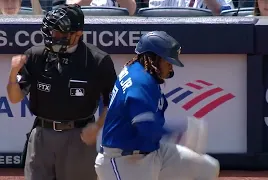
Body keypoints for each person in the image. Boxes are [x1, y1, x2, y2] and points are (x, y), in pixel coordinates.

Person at [6, 4, 117, 180]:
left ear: (78, 34)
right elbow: (14, 97)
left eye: (60, 32)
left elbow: (112, 102)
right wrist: (13, 74)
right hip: (42, 135)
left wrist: (97, 127)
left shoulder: (98, 60)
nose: (54, 36)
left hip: (78, 137)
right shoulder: (36, 55)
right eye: (51, 31)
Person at [94, 31, 220, 180]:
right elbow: (146, 127)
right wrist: (177, 131)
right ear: (154, 58)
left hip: (152, 151)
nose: (171, 68)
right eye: (168, 62)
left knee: (206, 168)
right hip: (124, 160)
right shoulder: (139, 82)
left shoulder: (139, 70)